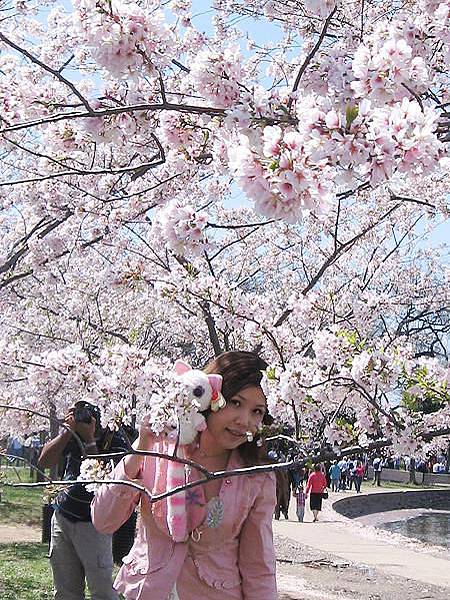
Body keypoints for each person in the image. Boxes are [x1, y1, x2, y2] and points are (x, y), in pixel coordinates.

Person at [91, 351, 278, 600]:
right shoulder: (161, 448)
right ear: (212, 395)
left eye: (257, 412)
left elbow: (259, 566)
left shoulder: (256, 477)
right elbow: (103, 520)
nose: (244, 421)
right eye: (235, 403)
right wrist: (141, 447)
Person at [38, 400, 129, 600]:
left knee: (102, 592)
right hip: (62, 518)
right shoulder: (71, 435)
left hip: (94, 525)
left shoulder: (115, 438)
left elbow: (100, 482)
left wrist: (89, 439)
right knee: (65, 593)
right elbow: (44, 461)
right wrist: (66, 432)